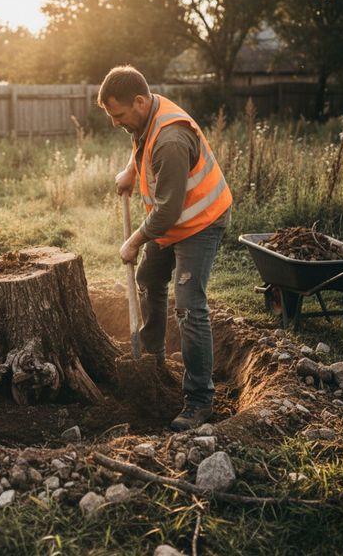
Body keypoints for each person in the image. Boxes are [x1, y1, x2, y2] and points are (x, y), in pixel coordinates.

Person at [98, 65, 232, 431]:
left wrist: (134, 240)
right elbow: (140, 137)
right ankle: (153, 359)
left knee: (188, 304)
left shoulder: (172, 140)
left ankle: (200, 400)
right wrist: (130, 168)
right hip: (173, 221)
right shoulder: (147, 114)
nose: (115, 123)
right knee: (148, 277)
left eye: (119, 115)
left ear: (139, 101)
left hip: (200, 221)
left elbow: (168, 211)